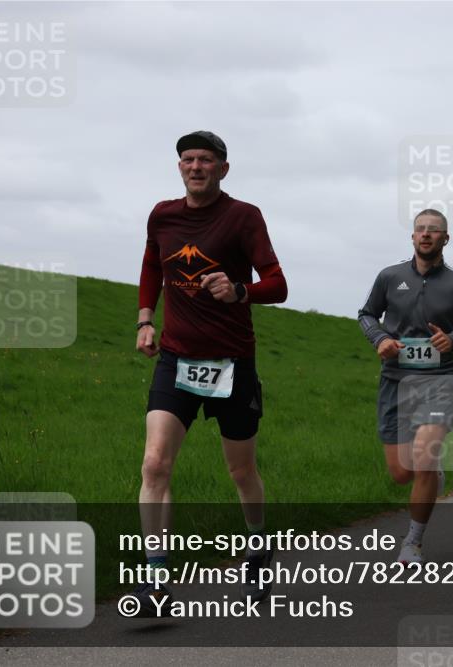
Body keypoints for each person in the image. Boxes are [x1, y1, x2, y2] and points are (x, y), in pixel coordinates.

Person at [134, 131, 288, 614]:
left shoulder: (244, 216)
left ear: (223, 168)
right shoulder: (162, 215)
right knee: (155, 464)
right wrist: (145, 320)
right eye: (188, 159)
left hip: (231, 363)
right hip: (176, 359)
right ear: (179, 166)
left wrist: (240, 290)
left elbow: (278, 284)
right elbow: (152, 266)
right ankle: (156, 580)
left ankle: (258, 548)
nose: (195, 167)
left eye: (205, 160)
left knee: (241, 470)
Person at [358, 209, 453, 565]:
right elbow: (366, 314)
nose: (426, 234)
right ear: (413, 236)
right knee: (402, 473)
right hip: (395, 382)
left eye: (434, 230)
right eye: (421, 229)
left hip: (438, 382)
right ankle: (431, 474)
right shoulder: (390, 276)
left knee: (424, 457)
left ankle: (413, 542)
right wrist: (380, 340)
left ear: (446, 238)